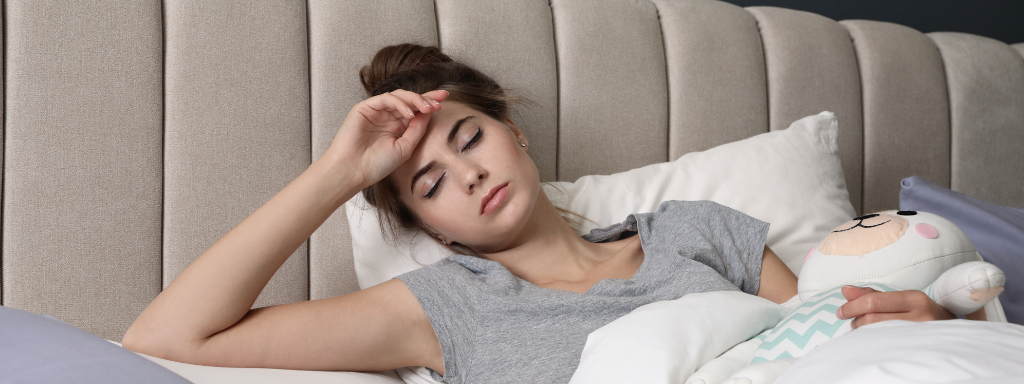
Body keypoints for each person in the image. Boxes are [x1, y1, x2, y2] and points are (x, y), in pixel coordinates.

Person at [123, 44, 955, 383]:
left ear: (513, 133)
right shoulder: (443, 307)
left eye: (467, 138)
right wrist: (342, 172)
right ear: (431, 228)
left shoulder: (695, 229)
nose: (467, 175)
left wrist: (910, 320)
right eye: (428, 183)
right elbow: (168, 340)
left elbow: (814, 342)